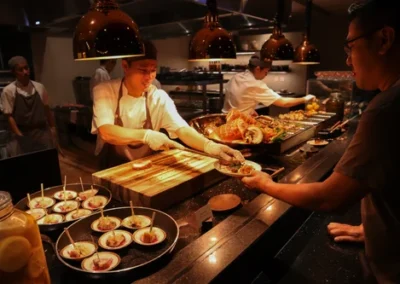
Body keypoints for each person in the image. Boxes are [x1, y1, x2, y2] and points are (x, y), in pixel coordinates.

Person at [241, 1, 400, 283]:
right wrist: (373, 229)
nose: (348, 60)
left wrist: (266, 183)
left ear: (384, 39)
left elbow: (331, 197)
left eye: (350, 46)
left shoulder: (386, 109)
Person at [92, 41, 244, 169]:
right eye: (143, 70)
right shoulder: (105, 90)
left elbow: (182, 129)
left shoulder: (158, 97)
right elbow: (106, 131)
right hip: (111, 167)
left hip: (146, 166)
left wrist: (210, 146)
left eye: (153, 70)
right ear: (125, 66)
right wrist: (147, 135)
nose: (149, 77)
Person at [222, 55, 315, 116]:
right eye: (266, 72)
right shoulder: (255, 84)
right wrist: (305, 99)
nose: (266, 75)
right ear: (258, 69)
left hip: (225, 120)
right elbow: (284, 103)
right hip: (237, 124)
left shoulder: (236, 77)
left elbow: (236, 100)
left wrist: (248, 110)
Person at [1, 56, 55, 155]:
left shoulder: (39, 87)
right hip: (22, 133)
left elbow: (46, 109)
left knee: (48, 160)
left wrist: (52, 128)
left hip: (42, 132)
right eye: (20, 70)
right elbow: (9, 116)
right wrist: (19, 136)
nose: (25, 72)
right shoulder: (9, 91)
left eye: (26, 68)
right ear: (14, 72)